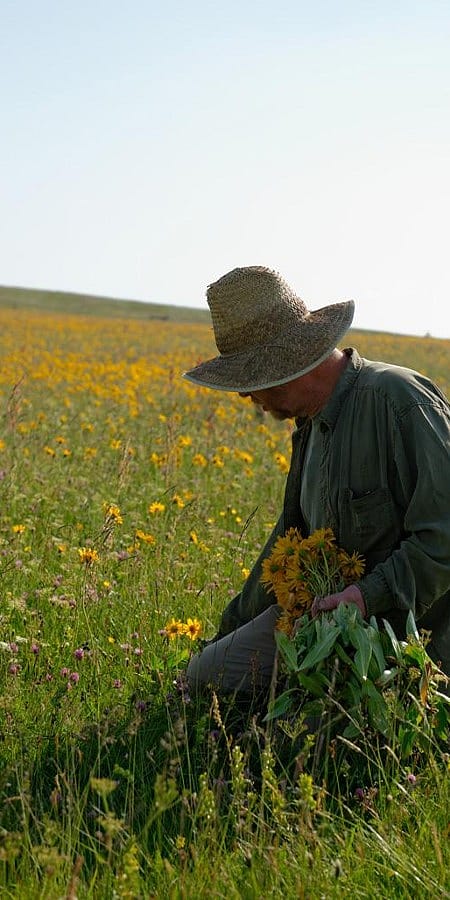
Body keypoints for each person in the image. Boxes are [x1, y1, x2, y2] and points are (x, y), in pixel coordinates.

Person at [183, 265, 450, 696]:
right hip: (326, 624)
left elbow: (444, 537)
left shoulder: (398, 401)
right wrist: (228, 633)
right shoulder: (310, 425)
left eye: (253, 382)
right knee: (203, 677)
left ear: (291, 364)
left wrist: (365, 596)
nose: (247, 398)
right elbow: (288, 542)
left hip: (411, 635)